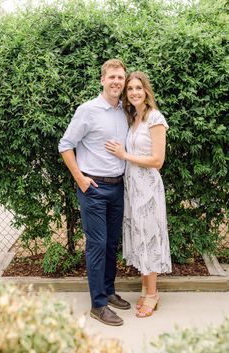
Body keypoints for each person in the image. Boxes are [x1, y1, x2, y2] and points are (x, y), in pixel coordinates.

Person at [58, 59, 131, 326]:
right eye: (112, 77)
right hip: (94, 189)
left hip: (118, 186)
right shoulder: (87, 110)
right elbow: (65, 144)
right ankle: (97, 304)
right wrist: (80, 178)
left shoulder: (126, 111)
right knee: (98, 245)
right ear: (102, 79)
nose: (116, 82)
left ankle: (109, 291)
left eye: (120, 78)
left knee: (111, 243)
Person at [105, 71, 172, 318]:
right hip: (132, 188)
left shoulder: (155, 118)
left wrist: (124, 156)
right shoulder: (134, 118)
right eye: (130, 89)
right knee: (140, 237)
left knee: (149, 239)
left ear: (146, 91)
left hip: (148, 189)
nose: (133, 92)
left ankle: (153, 294)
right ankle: (146, 288)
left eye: (138, 88)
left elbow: (157, 160)